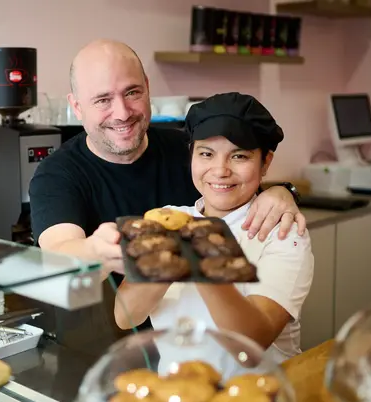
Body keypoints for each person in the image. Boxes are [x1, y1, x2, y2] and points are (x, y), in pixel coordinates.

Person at [30, 39, 306, 280]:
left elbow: (238, 187)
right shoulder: (58, 173)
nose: (122, 113)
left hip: (190, 315)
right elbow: (59, 251)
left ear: (148, 88)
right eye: (103, 100)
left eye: (132, 92)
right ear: (77, 107)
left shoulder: (186, 149)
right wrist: (93, 251)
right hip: (110, 320)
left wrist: (281, 193)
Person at [113, 92, 314, 363]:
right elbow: (125, 316)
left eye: (239, 156)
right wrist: (167, 260)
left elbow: (250, 347)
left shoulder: (283, 234)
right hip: (180, 385)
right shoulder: (168, 219)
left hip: (259, 387)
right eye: (206, 154)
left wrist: (199, 260)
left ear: (265, 162)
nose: (220, 170)